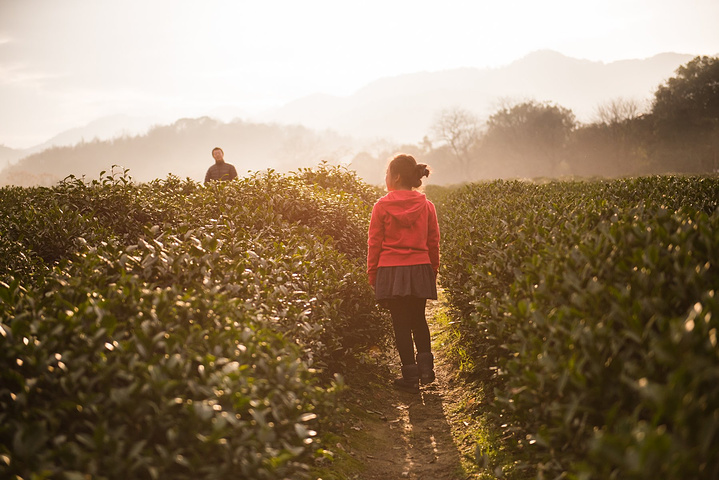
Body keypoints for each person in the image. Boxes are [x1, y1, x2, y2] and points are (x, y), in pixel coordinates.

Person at [367, 153, 440, 393]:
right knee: (419, 319)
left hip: (390, 269)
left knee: (400, 324)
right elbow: (433, 242)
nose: (385, 177)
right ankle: (427, 369)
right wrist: (433, 270)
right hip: (420, 267)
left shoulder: (381, 206)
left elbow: (374, 243)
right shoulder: (427, 206)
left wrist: (372, 273)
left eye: (387, 173)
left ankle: (410, 376)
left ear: (396, 177)